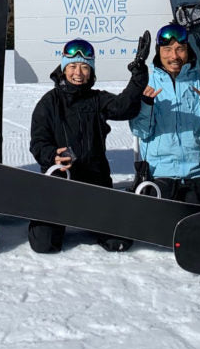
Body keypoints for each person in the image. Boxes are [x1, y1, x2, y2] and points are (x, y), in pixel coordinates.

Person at [27, 35, 150, 253]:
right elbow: (38, 142)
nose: (78, 73)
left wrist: (138, 76)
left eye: (84, 67)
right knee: (44, 244)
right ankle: (42, 216)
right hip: (59, 183)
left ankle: (104, 216)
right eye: (73, 66)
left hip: (95, 183)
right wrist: (51, 156)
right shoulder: (49, 103)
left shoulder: (97, 99)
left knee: (118, 242)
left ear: (91, 71)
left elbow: (124, 107)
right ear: (63, 68)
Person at [129, 22, 200, 208]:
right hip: (160, 173)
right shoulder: (147, 83)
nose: (174, 56)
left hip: (198, 173)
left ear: (188, 50)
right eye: (167, 49)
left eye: (180, 49)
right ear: (158, 51)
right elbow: (141, 131)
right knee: (158, 230)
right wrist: (146, 104)